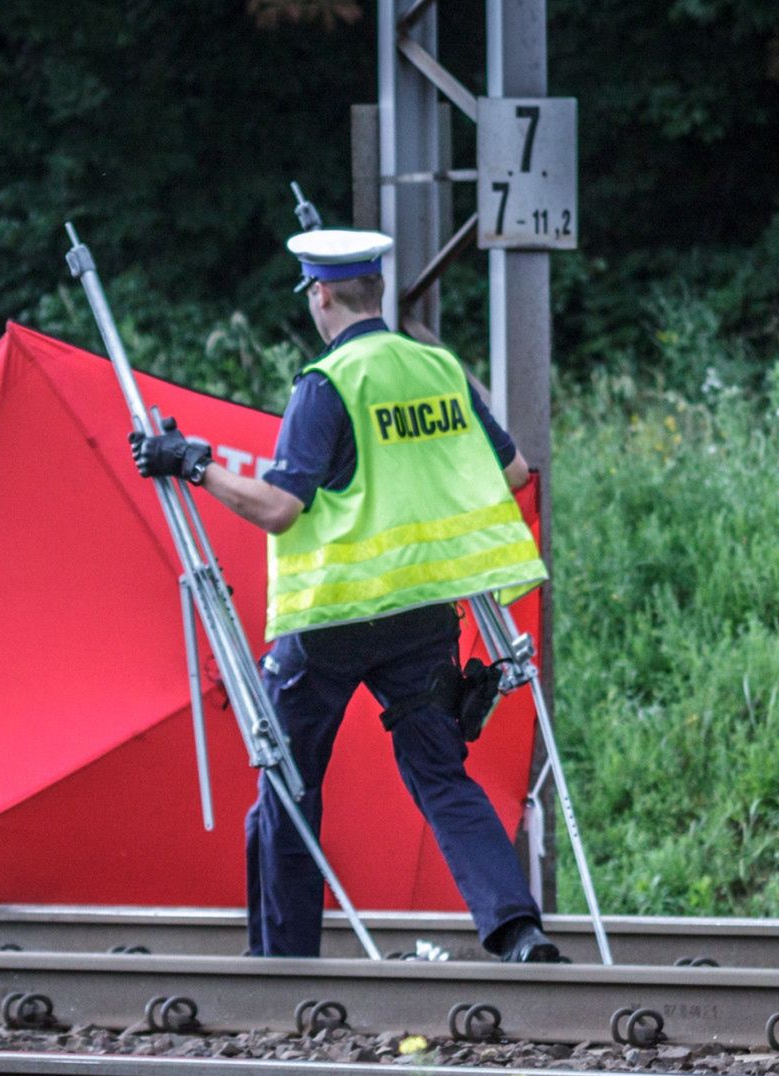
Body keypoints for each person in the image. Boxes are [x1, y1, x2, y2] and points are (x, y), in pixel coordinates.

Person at [131, 227, 564, 962]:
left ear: (321, 293)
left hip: (329, 618)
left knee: (290, 787)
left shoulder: (327, 385)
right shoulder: (436, 368)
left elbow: (278, 508)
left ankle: (286, 964)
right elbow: (516, 470)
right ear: (376, 291)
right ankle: (518, 931)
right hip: (423, 614)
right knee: (441, 776)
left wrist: (192, 463)